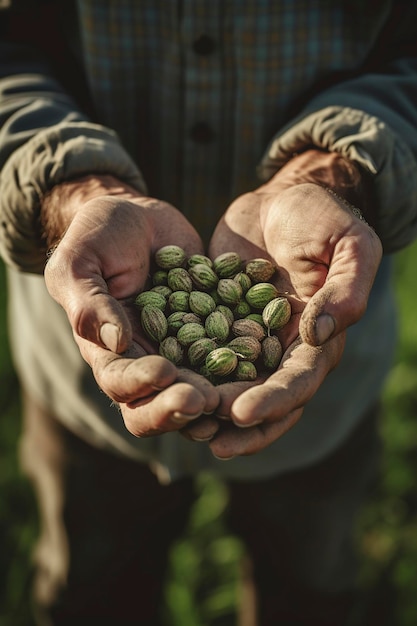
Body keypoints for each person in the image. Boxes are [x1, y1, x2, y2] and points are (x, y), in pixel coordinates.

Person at [1, 1, 417, 624]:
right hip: (80, 381)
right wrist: (73, 192)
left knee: (309, 591)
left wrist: (335, 174)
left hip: (327, 392)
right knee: (91, 592)